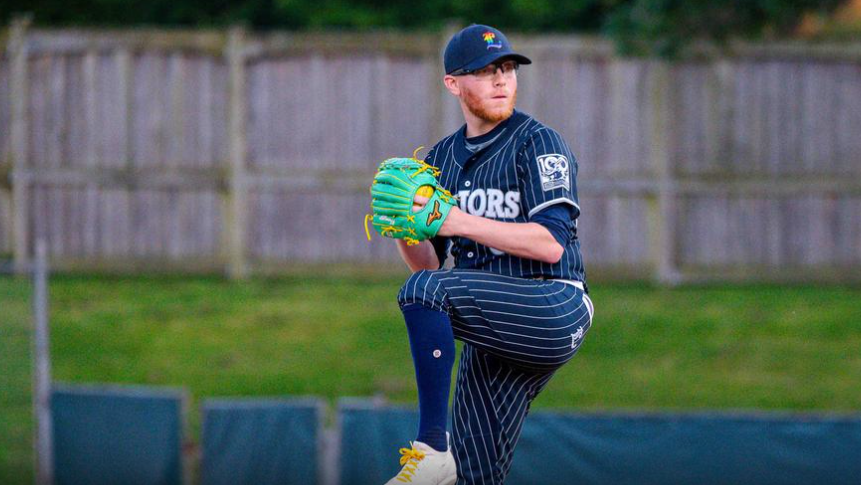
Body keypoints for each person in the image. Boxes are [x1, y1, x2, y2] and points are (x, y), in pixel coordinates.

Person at [384, 24, 594, 485]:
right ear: (453, 84)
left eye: (507, 68)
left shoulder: (538, 143)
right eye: (483, 71)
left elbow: (551, 242)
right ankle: (447, 460)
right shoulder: (440, 158)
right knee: (475, 473)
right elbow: (429, 267)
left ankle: (430, 447)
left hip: (552, 303)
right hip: (492, 321)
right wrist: (405, 226)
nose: (501, 80)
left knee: (423, 293)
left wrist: (452, 220)